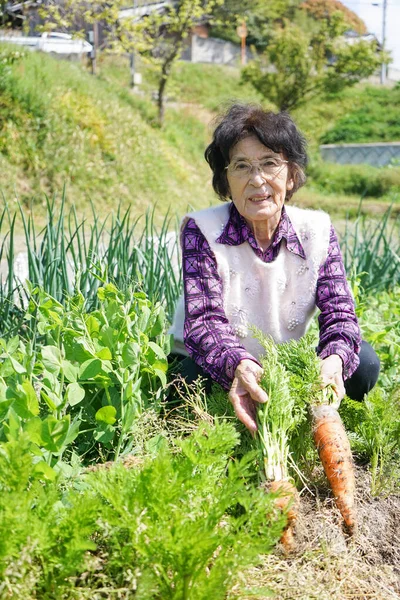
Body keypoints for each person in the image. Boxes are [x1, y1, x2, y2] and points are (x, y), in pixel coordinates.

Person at [169, 104, 380, 433]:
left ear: (291, 174)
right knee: (190, 383)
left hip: (281, 365)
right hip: (216, 362)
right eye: (241, 166)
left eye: (270, 164)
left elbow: (340, 314)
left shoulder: (317, 231)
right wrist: (239, 363)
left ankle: (326, 426)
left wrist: (333, 360)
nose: (257, 180)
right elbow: (204, 322)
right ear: (226, 179)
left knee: (362, 363)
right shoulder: (203, 230)